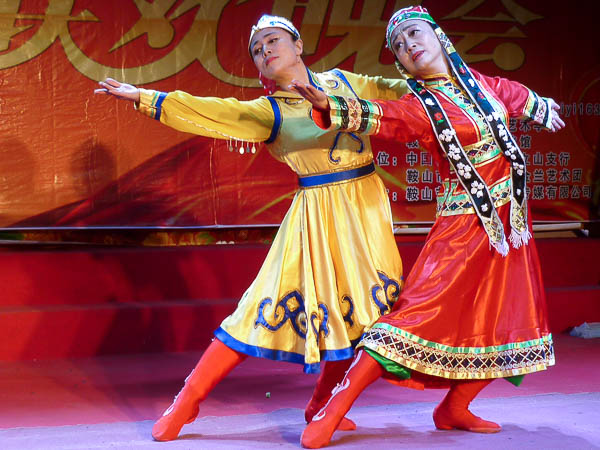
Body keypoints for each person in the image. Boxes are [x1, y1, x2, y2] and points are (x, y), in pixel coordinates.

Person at [95, 15, 409, 442]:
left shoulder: (344, 83)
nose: (266, 51)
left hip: (367, 212)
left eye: (273, 40)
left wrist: (442, 76)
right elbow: (211, 110)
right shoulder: (269, 111)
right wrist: (146, 97)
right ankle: (187, 401)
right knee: (257, 308)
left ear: (298, 46)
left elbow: (401, 92)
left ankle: (321, 403)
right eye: (257, 50)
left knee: (360, 313)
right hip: (315, 217)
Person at [291, 5, 563, 448]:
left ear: (439, 36)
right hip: (462, 229)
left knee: (506, 320)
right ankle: (331, 410)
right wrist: (333, 107)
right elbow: (383, 116)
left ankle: (454, 408)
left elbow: (514, 95)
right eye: (399, 46)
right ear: (401, 64)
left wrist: (541, 106)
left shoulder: (484, 85)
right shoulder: (421, 106)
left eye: (415, 34)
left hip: (510, 228)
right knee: (413, 318)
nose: (410, 46)